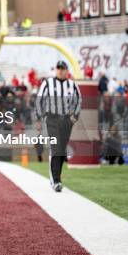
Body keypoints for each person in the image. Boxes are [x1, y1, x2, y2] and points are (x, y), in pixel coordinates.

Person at [35, 60, 82, 192]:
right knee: (56, 148)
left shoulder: (72, 85)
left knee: (61, 149)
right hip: (52, 119)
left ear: (67, 70)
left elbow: (79, 100)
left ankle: (57, 177)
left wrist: (75, 116)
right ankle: (56, 180)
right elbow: (39, 99)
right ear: (55, 70)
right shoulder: (47, 83)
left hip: (66, 120)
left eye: (63, 68)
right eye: (58, 68)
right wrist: (39, 117)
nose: (60, 70)